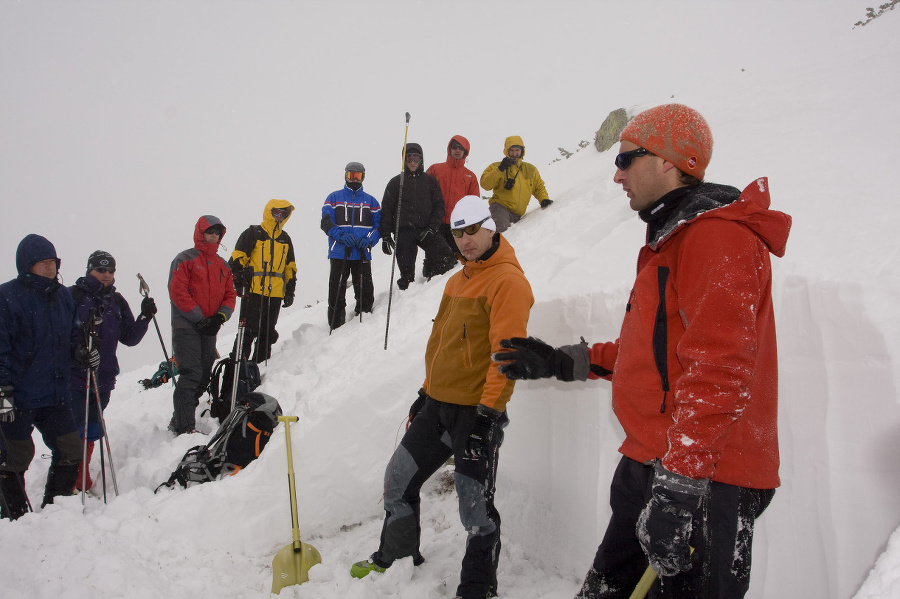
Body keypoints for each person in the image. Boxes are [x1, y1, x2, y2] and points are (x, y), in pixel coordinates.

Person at [492, 104, 792, 598]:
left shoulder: (717, 237)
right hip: (657, 463)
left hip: (707, 480)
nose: (616, 175)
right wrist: (567, 361)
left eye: (627, 159)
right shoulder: (671, 241)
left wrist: (680, 488)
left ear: (669, 161)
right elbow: (653, 353)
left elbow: (720, 368)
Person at [351, 196, 534, 599]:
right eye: (457, 231)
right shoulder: (456, 278)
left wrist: (487, 416)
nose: (465, 239)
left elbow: (506, 359)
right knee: (398, 481)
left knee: (475, 508)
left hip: (475, 413)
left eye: (472, 230)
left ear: (491, 227)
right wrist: (425, 390)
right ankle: (396, 558)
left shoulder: (508, 282)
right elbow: (444, 344)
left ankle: (478, 588)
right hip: (438, 405)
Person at [0, 234, 97, 519]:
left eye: (52, 262)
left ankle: (56, 512)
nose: (49, 268)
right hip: (17, 395)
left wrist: (80, 352)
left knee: (70, 449)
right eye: (42, 263)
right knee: (13, 458)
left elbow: (70, 337)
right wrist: (2, 388)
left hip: (55, 394)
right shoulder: (7, 296)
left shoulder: (62, 296)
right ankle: (13, 518)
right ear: (26, 265)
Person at [68, 250, 156, 493]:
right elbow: (58, 336)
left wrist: (145, 317)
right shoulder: (73, 296)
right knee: (74, 430)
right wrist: (77, 352)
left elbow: (130, 338)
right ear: (89, 270)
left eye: (110, 270)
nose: (106, 275)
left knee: (92, 427)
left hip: (104, 377)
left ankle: (80, 474)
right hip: (75, 376)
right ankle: (72, 478)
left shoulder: (116, 301)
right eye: (101, 270)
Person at [168, 216, 236, 435]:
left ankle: (180, 418)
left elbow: (230, 295)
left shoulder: (222, 265)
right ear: (200, 232)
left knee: (204, 375)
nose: (214, 235)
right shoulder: (185, 259)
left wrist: (219, 319)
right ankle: (185, 427)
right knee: (191, 373)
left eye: (217, 232)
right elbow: (178, 292)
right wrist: (200, 319)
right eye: (210, 231)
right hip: (186, 327)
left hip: (209, 329)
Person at [379, 142, 456, 290]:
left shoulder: (430, 181)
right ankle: (406, 294)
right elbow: (387, 209)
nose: (413, 162)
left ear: (421, 159)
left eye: (416, 158)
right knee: (407, 274)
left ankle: (432, 286)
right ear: (404, 160)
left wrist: (432, 228)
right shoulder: (396, 183)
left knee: (446, 256)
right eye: (409, 158)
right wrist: (385, 236)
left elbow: (439, 206)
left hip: (426, 230)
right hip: (404, 232)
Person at [229, 199, 297, 362]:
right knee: (247, 333)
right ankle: (235, 374)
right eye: (276, 212)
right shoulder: (253, 233)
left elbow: (290, 267)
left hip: (275, 295)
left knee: (267, 334)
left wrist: (290, 291)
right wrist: (239, 281)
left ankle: (256, 371)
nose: (280, 217)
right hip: (253, 292)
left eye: (284, 213)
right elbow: (237, 258)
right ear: (269, 212)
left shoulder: (285, 239)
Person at [320, 162, 381, 329]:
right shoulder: (333, 198)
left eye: (358, 176)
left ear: (363, 177)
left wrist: (369, 240)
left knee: (364, 289)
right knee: (336, 290)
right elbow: (326, 222)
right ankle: (335, 324)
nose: (354, 179)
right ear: (345, 175)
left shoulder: (371, 201)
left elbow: (378, 227)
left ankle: (363, 320)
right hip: (340, 252)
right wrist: (339, 235)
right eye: (351, 175)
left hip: (361, 252)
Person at [480, 135, 552, 232]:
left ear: (522, 150)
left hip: (518, 214)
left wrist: (543, 199)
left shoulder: (530, 169)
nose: (514, 153)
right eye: (512, 150)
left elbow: (538, 187)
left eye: (517, 150)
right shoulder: (496, 166)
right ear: (507, 151)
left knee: (514, 239)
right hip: (500, 209)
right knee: (501, 234)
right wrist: (500, 169)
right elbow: (485, 184)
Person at [426, 135, 480, 249]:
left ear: (465, 152)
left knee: (456, 258)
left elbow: (474, 203)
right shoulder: (435, 169)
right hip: (435, 222)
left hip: (458, 225)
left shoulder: (470, 176)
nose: (457, 150)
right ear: (449, 149)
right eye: (455, 147)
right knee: (433, 257)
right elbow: (423, 193)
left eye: (461, 148)